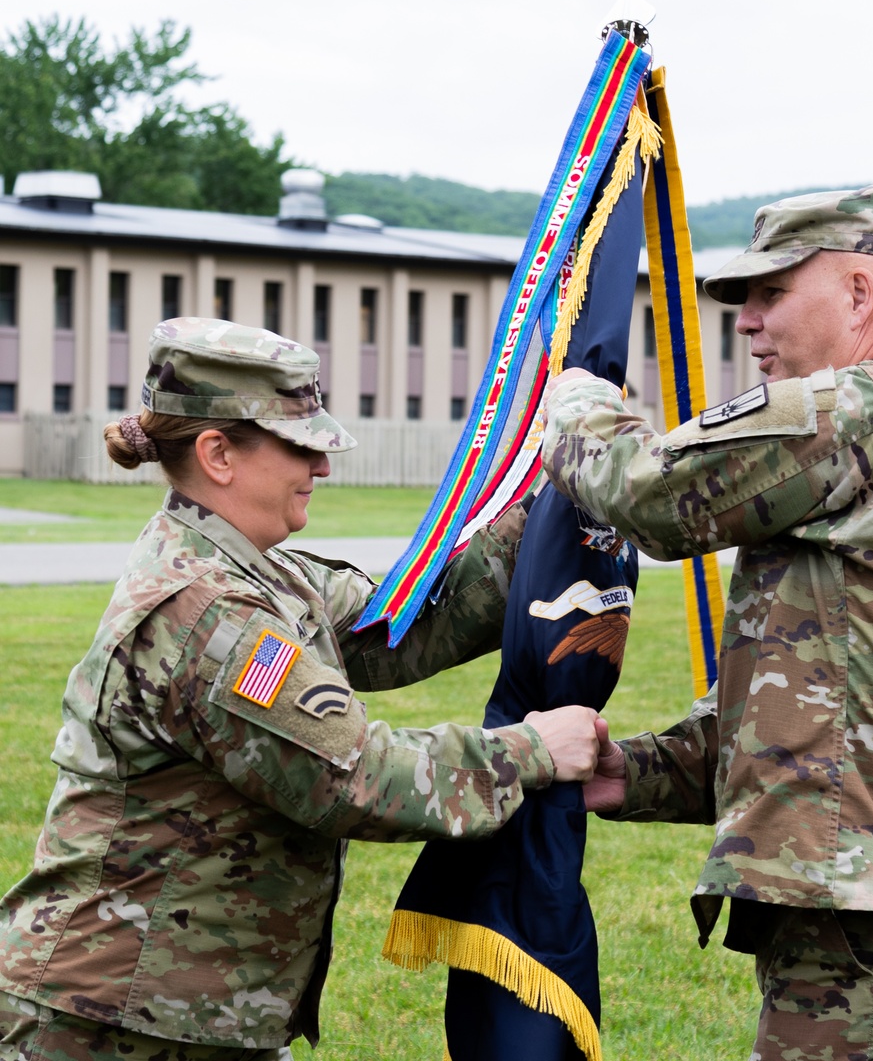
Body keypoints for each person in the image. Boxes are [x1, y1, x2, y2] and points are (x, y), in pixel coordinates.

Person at [0, 317, 606, 1061]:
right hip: (115, 1021)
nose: (320, 467)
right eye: (299, 445)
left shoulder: (264, 573)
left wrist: (540, 516)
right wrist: (532, 752)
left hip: (185, 1011)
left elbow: (405, 630)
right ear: (217, 453)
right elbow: (357, 779)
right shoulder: (207, 610)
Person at [540, 184, 873, 1060]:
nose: (747, 321)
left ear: (860, 293)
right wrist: (634, 772)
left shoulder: (868, 409)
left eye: (771, 292)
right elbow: (842, 694)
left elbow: (647, 490)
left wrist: (568, 396)